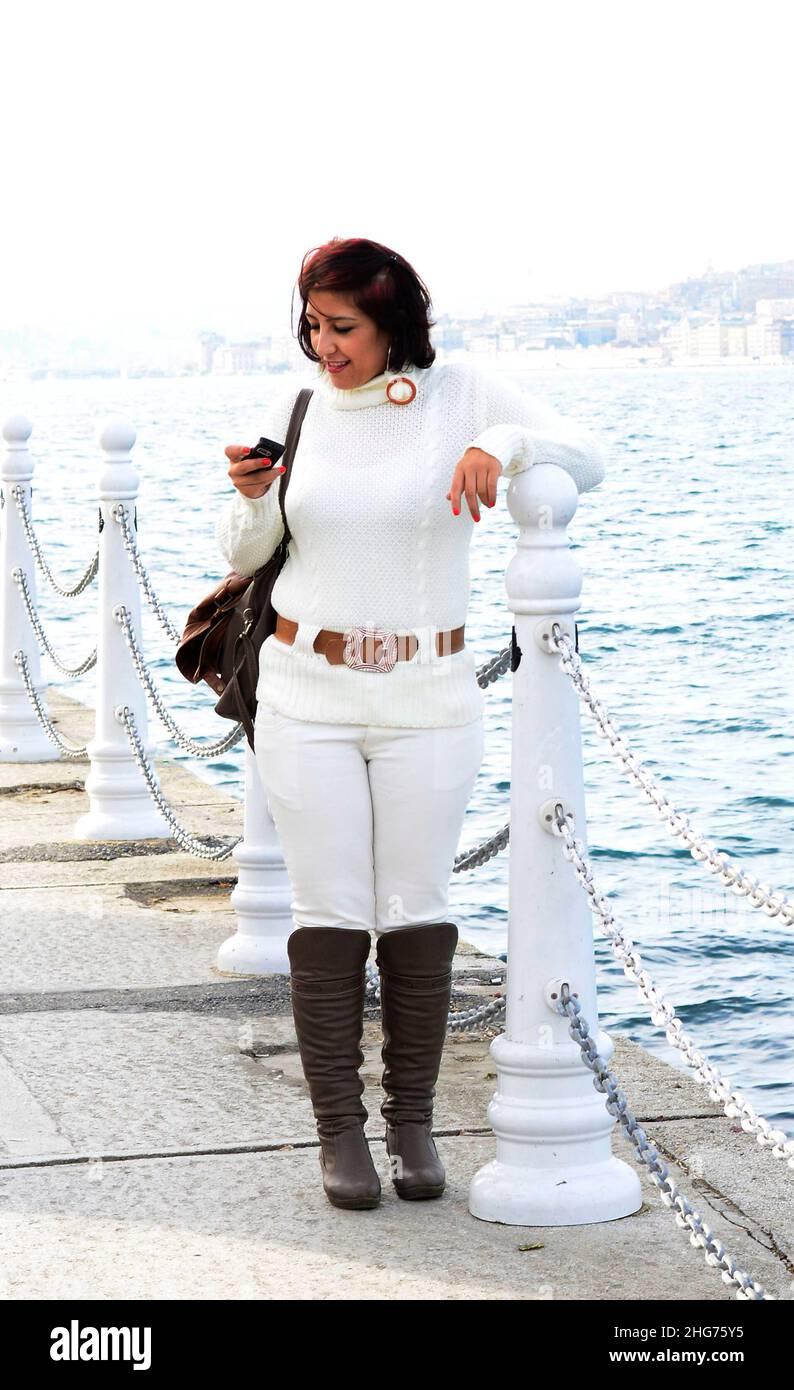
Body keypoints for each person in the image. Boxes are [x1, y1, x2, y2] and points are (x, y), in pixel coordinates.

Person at [216, 236, 607, 1212]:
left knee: (417, 908)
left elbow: (584, 454)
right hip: (306, 687)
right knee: (330, 910)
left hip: (427, 695)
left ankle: (412, 1123)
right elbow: (247, 550)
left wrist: (499, 448)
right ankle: (339, 1134)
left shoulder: (462, 391)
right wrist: (253, 499)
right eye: (310, 324)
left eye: (340, 327)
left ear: (392, 321)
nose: (321, 346)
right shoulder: (296, 408)